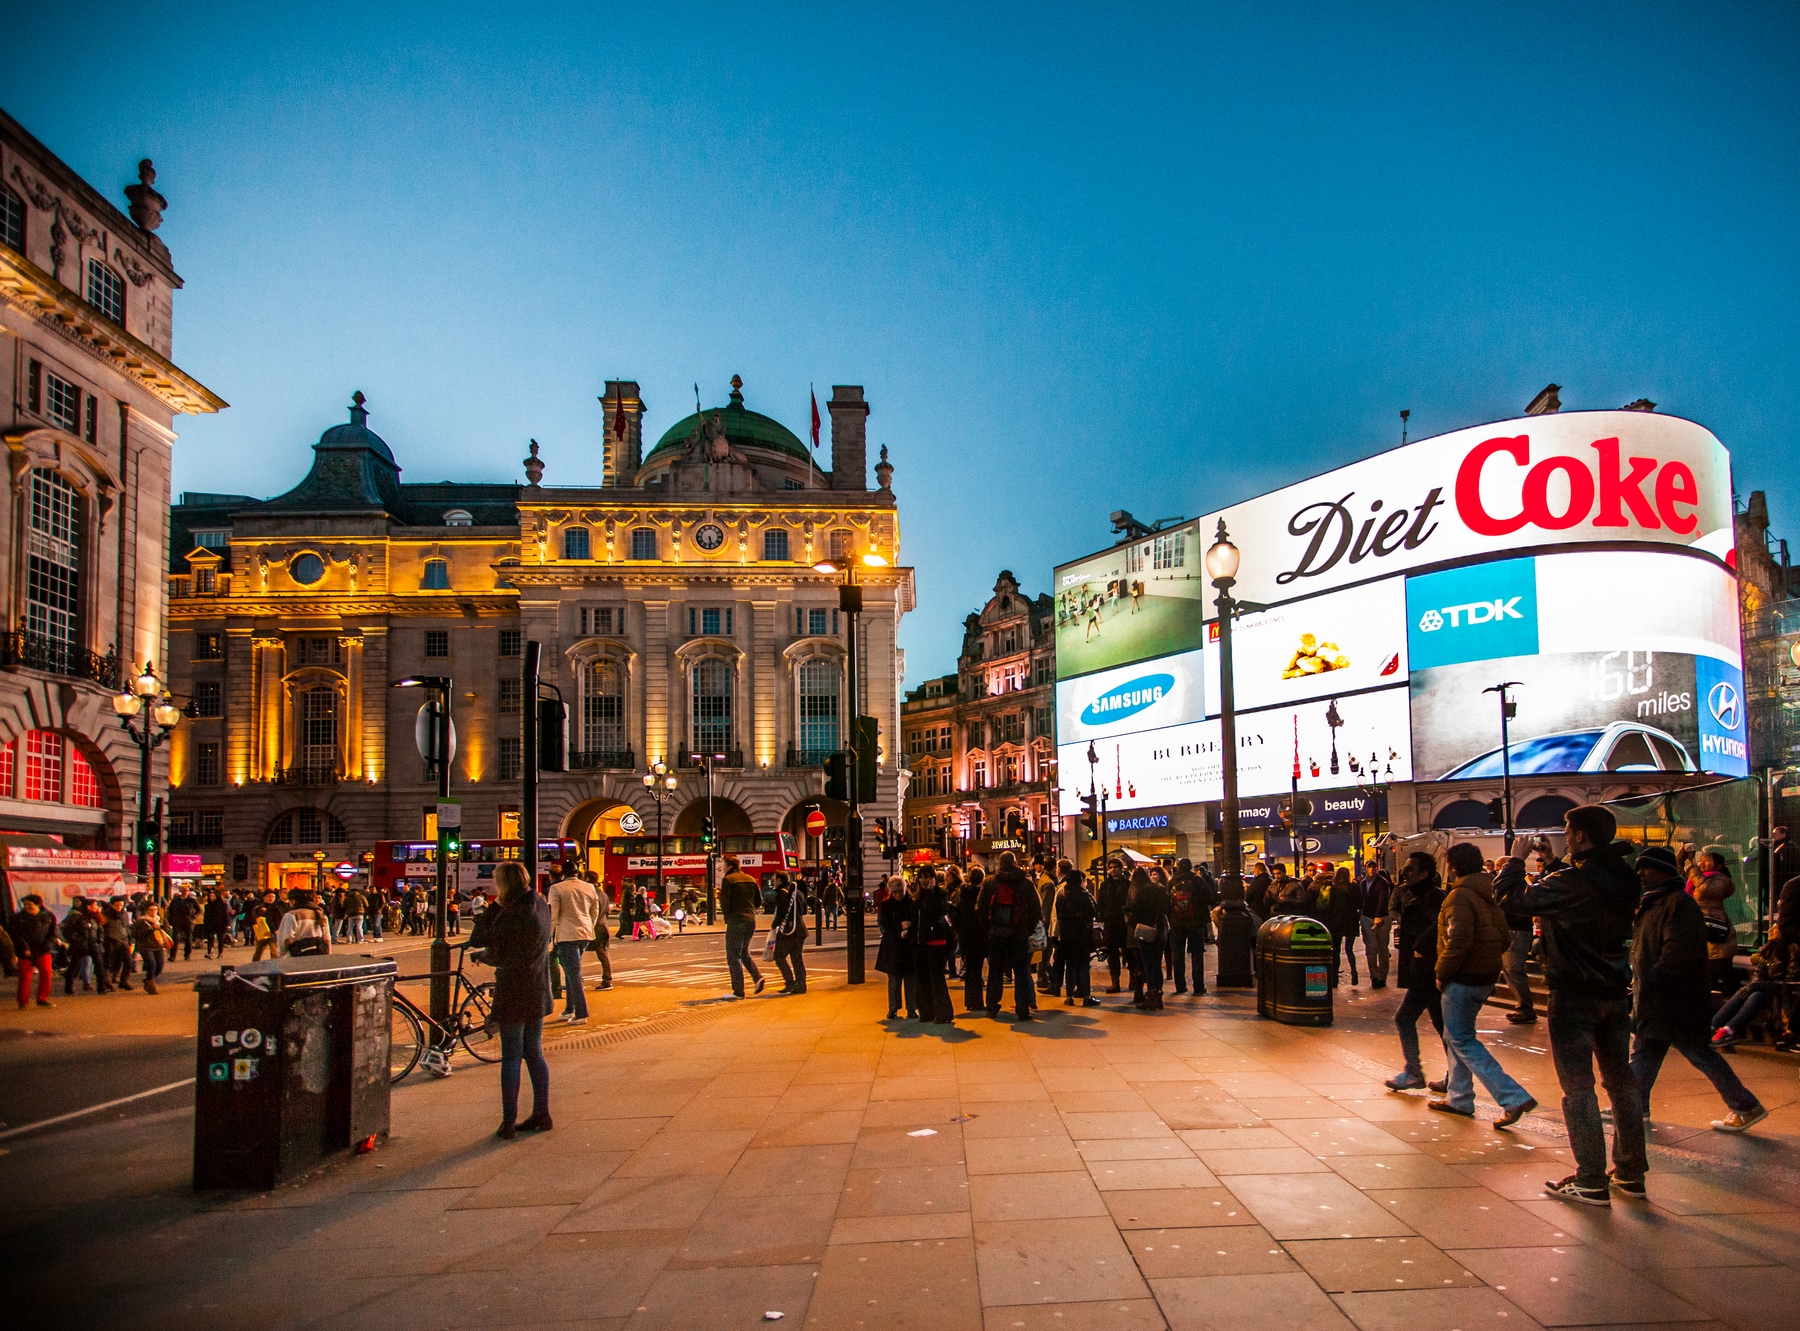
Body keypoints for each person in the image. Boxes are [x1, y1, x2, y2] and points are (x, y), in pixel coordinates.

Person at [1494, 805, 1644, 1207]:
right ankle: (1630, 1171)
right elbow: (1586, 887)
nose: (1564, 833)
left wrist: (1514, 861)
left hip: (1574, 990)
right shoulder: (1622, 877)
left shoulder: (1575, 881)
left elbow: (1512, 900)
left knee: (1578, 1088)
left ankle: (1591, 1178)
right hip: (1614, 989)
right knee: (1621, 1081)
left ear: (1579, 836)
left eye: (1567, 829)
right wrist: (1556, 863)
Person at [1628, 845, 1767, 1142]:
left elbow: (1677, 952)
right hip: (1659, 997)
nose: (1641, 873)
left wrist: (1651, 979)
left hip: (1673, 999)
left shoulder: (1677, 904)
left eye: (1647, 868)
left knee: (1696, 1052)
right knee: (1645, 1052)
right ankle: (1632, 1106)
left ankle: (1746, 1105)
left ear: (1665, 871)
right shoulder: (1656, 901)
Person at [1432, 841, 1536, 1127]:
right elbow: (1504, 937)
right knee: (1454, 1036)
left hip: (1462, 977)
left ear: (1453, 866)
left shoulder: (1460, 897)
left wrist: (1442, 971)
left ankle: (1512, 1095)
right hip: (1485, 976)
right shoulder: (1490, 890)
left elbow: (1458, 940)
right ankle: (1459, 1097)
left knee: (1462, 1039)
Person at [470, 861, 553, 1138]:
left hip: (514, 988)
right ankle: (542, 1112)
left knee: (511, 1057)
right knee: (535, 1052)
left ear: (503, 884)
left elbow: (479, 937)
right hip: (538, 985)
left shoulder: (512, 912)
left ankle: (508, 1122)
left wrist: (494, 906)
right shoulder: (539, 903)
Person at [1385, 853, 1446, 1090]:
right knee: (1443, 1026)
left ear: (1424, 874)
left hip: (1428, 970)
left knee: (1405, 1017)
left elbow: (1438, 925)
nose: (1404, 873)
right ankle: (1455, 1077)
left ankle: (1413, 1072)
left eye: (1410, 869)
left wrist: (1420, 945)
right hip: (1426, 970)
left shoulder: (1432, 897)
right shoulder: (1419, 895)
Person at [979, 851, 1043, 1020]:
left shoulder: (990, 882)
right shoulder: (1026, 883)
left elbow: (980, 908)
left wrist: (988, 929)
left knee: (995, 972)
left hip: (996, 935)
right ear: (1014, 863)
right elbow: (1037, 909)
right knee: (1021, 972)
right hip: (1019, 935)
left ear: (999, 864)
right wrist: (1026, 929)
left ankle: (992, 1007)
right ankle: (1022, 1009)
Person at [1709, 930, 1796, 1051]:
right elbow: (1760, 972)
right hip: (1770, 991)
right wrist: (1756, 983)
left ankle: (1728, 1030)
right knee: (1746, 991)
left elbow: (1789, 984)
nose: (1770, 930)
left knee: (1756, 995)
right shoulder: (1770, 949)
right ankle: (1713, 1026)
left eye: (1775, 927)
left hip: (1781, 995)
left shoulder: (1793, 950)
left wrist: (1759, 985)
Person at [549, 864, 599, 1025]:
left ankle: (581, 1012)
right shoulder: (589, 887)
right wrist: (589, 926)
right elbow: (594, 911)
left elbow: (553, 915)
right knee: (572, 971)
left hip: (566, 934)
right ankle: (569, 1008)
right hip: (585, 932)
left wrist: (549, 936)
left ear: (563, 873)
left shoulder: (557, 888)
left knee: (573, 973)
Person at [1690, 846, 1739, 998]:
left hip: (1715, 933)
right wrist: (1687, 857)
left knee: (1724, 973)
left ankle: (1732, 1003)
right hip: (1701, 931)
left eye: (1707, 860)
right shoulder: (1695, 878)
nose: (1702, 863)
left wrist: (1693, 868)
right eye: (1700, 860)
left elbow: (1706, 889)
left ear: (1718, 866)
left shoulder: (1720, 880)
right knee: (1706, 976)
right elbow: (1682, 869)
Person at [911, 867, 956, 1023]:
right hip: (920, 942)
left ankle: (943, 1013)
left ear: (933, 879)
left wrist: (930, 892)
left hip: (936, 940)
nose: (923, 880)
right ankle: (926, 1012)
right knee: (922, 979)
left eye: (927, 877)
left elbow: (934, 911)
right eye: (921, 877)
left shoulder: (940, 895)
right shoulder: (916, 897)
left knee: (936, 978)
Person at [1052, 858, 1098, 1007]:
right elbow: (1095, 912)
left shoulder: (1061, 895)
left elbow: (1059, 915)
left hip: (1066, 935)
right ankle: (1086, 996)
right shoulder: (1085, 895)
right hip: (1082, 935)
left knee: (1070, 966)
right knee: (1084, 966)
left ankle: (1069, 996)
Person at [719, 856, 765, 998]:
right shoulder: (751, 879)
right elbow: (758, 901)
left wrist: (728, 917)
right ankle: (757, 977)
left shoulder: (728, 880)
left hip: (736, 919)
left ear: (730, 866)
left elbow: (725, 903)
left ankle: (738, 991)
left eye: (724, 866)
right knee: (743, 952)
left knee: (733, 955)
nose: (723, 869)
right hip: (751, 920)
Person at [1125, 867, 1171, 1010]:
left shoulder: (1141, 892)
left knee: (1148, 964)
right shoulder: (1161, 888)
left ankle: (1151, 996)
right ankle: (1158, 996)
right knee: (1157, 964)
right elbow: (1167, 909)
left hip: (1145, 929)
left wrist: (1130, 920)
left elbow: (1135, 911)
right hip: (1161, 929)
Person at [875, 874, 916, 1019]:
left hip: (909, 946)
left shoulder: (912, 903)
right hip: (893, 945)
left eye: (900, 891)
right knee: (894, 979)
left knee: (910, 979)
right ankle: (893, 1008)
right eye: (895, 892)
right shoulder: (886, 905)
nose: (898, 895)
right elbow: (885, 925)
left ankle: (911, 1008)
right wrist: (900, 929)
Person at [1168, 858, 1209, 996]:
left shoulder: (1172, 882)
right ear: (1191, 867)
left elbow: (1166, 903)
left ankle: (1180, 986)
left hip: (1177, 923)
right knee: (1197, 954)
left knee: (1178, 955)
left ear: (1178, 867)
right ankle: (1198, 986)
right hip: (1195, 922)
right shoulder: (1197, 880)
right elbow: (1208, 898)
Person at [9, 894, 58, 1008]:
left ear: (38, 904)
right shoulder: (17, 918)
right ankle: (23, 1001)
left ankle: (42, 998)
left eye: (29, 904)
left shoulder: (48, 916)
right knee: (25, 976)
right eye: (25, 904)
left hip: (42, 950)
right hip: (24, 951)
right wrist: (24, 946)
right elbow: (14, 934)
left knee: (46, 973)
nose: (26, 907)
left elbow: (52, 934)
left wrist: (47, 945)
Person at [954, 866, 987, 1011]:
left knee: (969, 969)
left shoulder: (962, 895)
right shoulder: (981, 896)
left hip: (965, 936)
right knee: (977, 969)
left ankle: (969, 1001)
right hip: (979, 936)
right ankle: (977, 1001)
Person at [770, 872, 808, 995]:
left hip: (788, 930)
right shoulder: (798, 892)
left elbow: (781, 912)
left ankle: (790, 982)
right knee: (797, 957)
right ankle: (800, 984)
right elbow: (805, 910)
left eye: (774, 879)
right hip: (800, 929)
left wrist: (774, 925)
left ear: (780, 880)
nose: (773, 882)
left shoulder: (782, 893)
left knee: (779, 956)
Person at [1325, 864, 1362, 987]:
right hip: (1351, 922)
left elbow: (1329, 906)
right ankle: (1354, 972)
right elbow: (1360, 903)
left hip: (1337, 923)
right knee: (1349, 950)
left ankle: (1334, 979)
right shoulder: (1354, 887)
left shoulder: (1334, 888)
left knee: (1335, 952)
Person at [1359, 857, 1393, 989]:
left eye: (1374, 866)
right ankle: (1374, 976)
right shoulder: (1363, 883)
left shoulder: (1382, 882)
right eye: (1369, 866)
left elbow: (1383, 899)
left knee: (1383, 948)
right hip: (1367, 916)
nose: (1371, 869)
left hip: (1382, 917)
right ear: (1366, 868)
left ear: (1377, 868)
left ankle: (1382, 976)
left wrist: (1379, 915)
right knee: (1371, 948)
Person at [1097, 858, 1130, 994]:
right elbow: (1101, 904)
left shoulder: (1128, 884)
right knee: (1112, 954)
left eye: (1115, 867)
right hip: (1111, 923)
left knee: (1129, 953)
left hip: (1125, 922)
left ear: (1121, 868)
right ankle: (1115, 982)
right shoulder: (1105, 885)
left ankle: (1134, 980)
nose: (1112, 870)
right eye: (1110, 867)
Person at [584, 872, 614, 988]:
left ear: (587, 879)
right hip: (603, 925)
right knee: (603, 953)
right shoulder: (603, 894)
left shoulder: (589, 893)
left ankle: (606, 980)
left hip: (593, 926)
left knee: (578, 951)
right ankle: (607, 979)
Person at [131, 904, 169, 996]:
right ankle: (151, 987)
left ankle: (148, 980)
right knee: (152, 964)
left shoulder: (160, 920)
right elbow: (138, 935)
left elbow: (167, 929)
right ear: (146, 911)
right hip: (146, 946)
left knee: (160, 965)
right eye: (151, 909)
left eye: (155, 909)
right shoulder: (141, 921)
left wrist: (163, 927)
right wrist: (151, 928)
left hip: (158, 945)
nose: (154, 911)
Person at [166, 887, 199, 961]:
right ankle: (172, 956)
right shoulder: (176, 900)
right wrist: (170, 920)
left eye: (186, 891)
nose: (185, 892)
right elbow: (170, 911)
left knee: (188, 939)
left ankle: (187, 955)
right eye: (183, 890)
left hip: (188, 921)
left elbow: (198, 909)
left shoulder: (191, 900)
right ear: (181, 891)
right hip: (177, 921)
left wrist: (194, 915)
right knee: (176, 939)